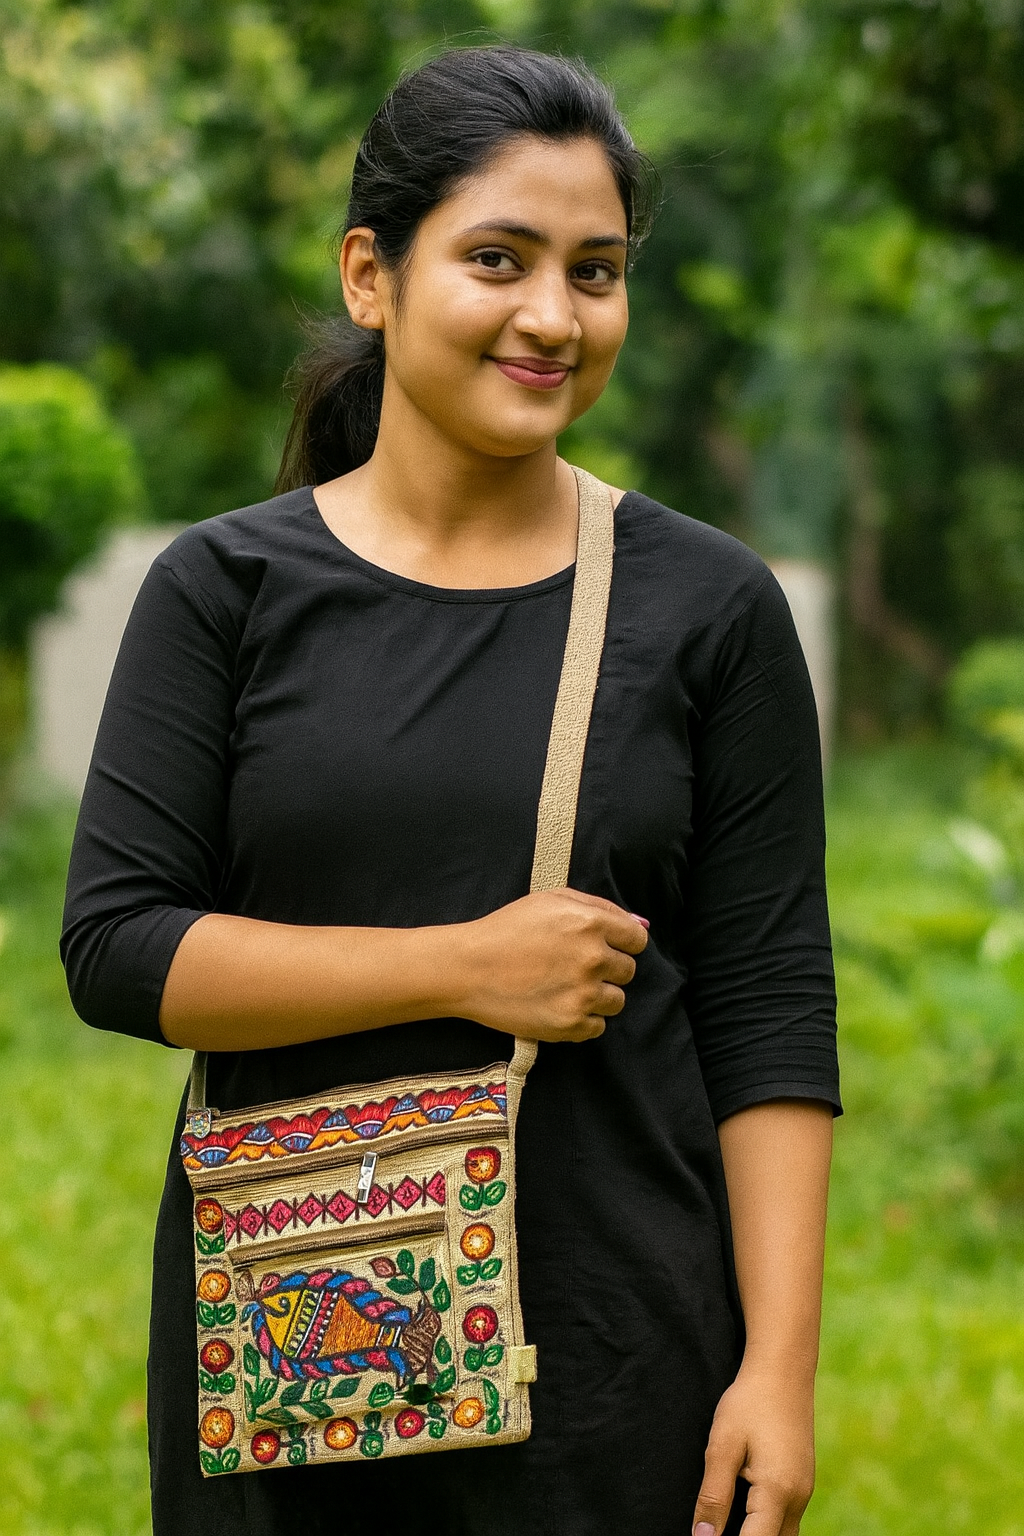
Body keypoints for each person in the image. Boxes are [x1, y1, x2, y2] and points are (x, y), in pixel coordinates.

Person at [61, 44, 839, 1536]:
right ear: (374, 274)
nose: (553, 315)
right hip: (292, 1345)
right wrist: (468, 967)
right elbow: (120, 948)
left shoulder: (708, 607)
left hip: (618, 1359)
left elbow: (769, 1004)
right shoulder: (224, 591)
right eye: (499, 259)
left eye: (596, 271)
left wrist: (779, 1378)